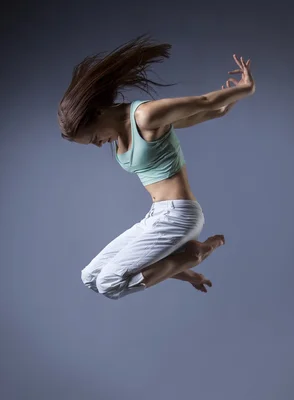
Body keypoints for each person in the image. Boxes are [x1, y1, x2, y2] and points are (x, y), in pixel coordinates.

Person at [58, 34, 255, 299]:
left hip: (180, 216)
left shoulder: (146, 116)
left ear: (99, 113)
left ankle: (197, 253)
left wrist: (244, 89)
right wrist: (222, 108)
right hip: (155, 216)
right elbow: (208, 113)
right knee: (90, 277)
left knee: (109, 284)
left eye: (94, 138)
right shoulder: (121, 133)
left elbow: (204, 103)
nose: (98, 145)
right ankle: (188, 269)